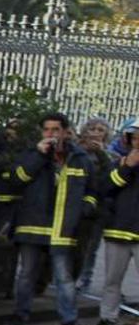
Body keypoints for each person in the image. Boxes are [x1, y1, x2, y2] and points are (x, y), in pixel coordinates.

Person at [1, 113, 97, 325]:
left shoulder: (80, 158)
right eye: (47, 130)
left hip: (63, 228)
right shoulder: (32, 154)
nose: (51, 134)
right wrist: (38, 156)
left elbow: (93, 192)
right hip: (32, 225)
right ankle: (20, 315)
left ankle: (69, 322)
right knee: (26, 274)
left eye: (56, 129)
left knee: (64, 278)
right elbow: (16, 180)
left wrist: (85, 210)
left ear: (65, 131)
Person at [88, 120, 139, 325]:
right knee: (111, 281)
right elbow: (106, 187)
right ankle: (107, 320)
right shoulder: (120, 162)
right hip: (117, 231)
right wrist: (127, 166)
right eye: (135, 137)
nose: (138, 142)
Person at [73, 117, 113, 292]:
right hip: (75, 204)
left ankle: (85, 279)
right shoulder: (76, 151)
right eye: (93, 129)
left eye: (101, 130)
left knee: (91, 246)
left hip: (98, 209)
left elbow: (112, 178)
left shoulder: (111, 156)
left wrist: (103, 155)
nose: (96, 133)